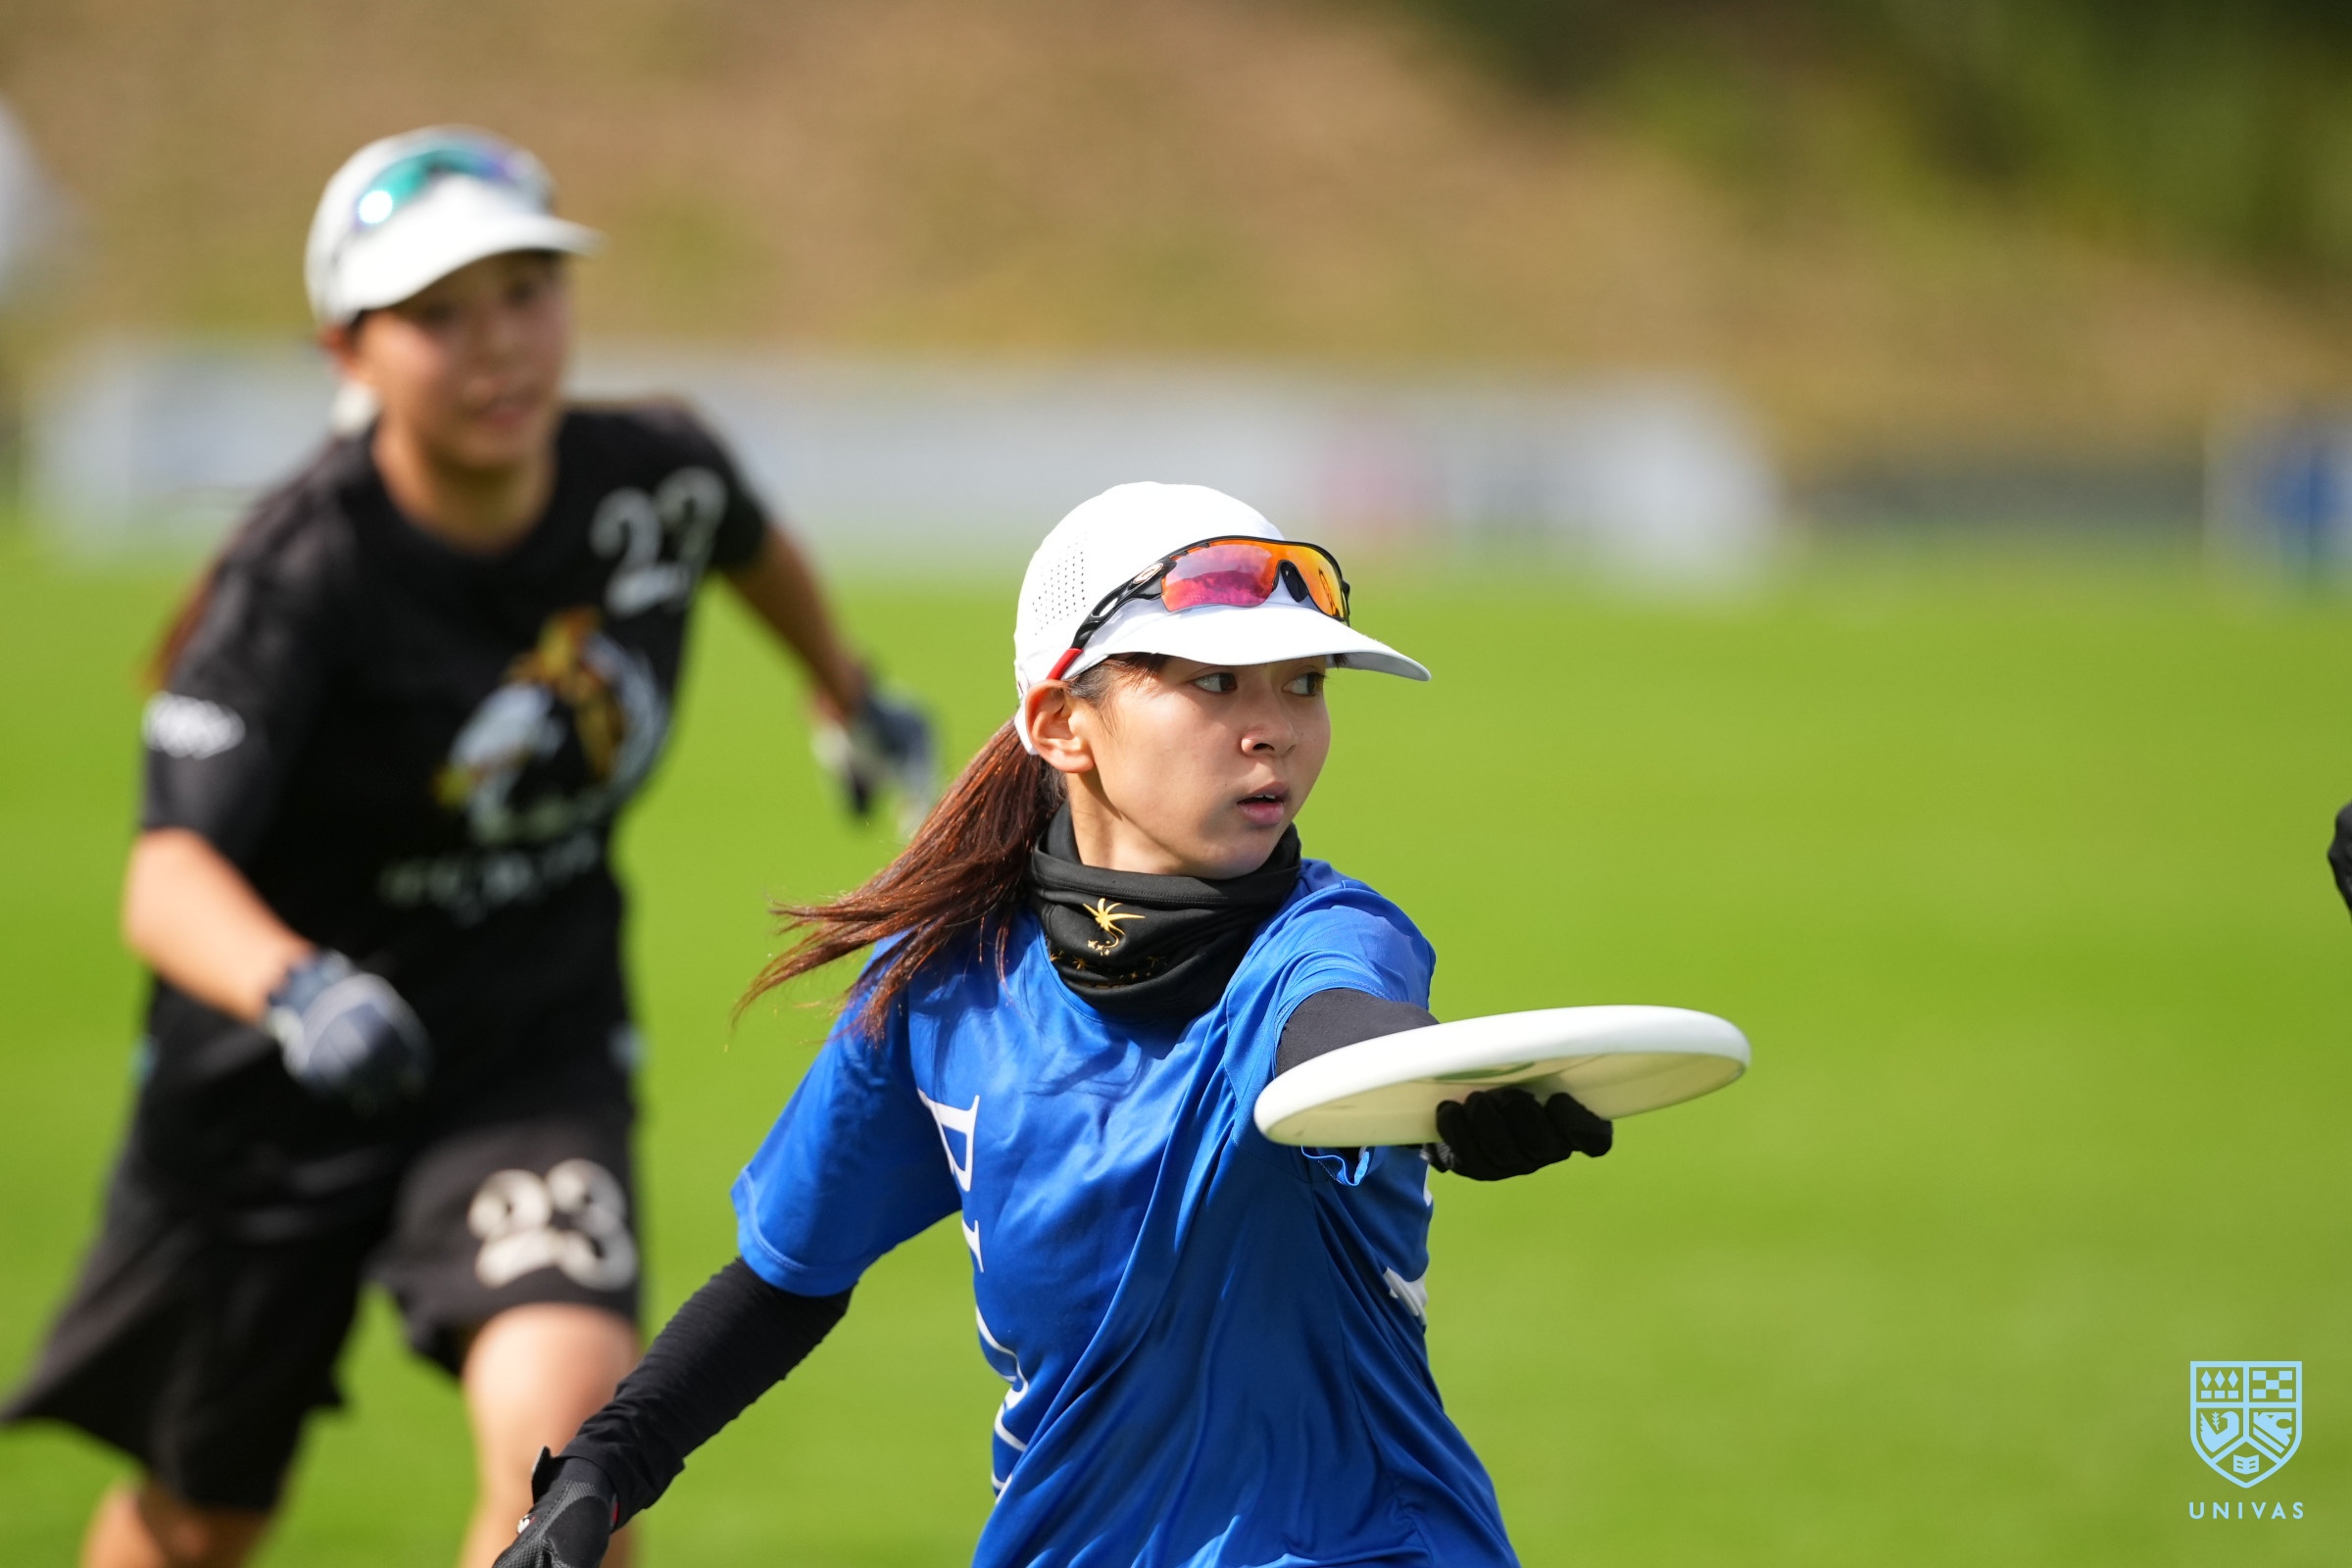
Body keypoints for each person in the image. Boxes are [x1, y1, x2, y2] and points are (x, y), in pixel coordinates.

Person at [1, 125, 932, 1568]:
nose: (497, 343)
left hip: (522, 1054)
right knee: (202, 1521)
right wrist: (304, 990)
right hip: (271, 1086)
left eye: (526, 292)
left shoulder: (655, 477)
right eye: (438, 314)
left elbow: (743, 542)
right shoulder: (297, 574)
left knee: (574, 1469)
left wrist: (843, 688)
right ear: (348, 350)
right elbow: (166, 875)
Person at [493, 482, 1615, 1568]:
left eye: (1305, 683)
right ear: (1061, 722)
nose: (1274, 730)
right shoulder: (944, 982)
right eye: (1216, 683)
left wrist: (1433, 1093)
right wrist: (605, 1464)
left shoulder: (1327, 940)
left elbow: (1338, 1029)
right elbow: (788, 1277)